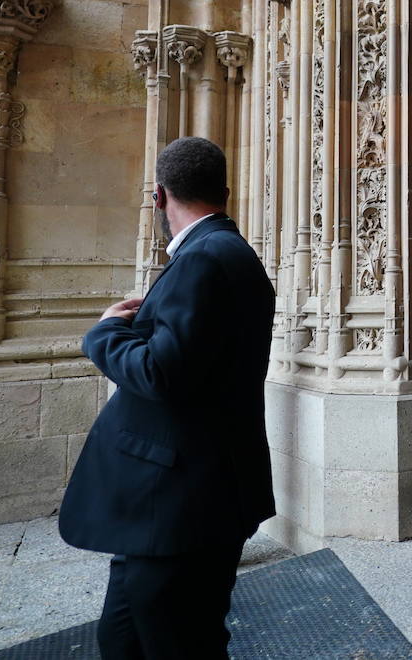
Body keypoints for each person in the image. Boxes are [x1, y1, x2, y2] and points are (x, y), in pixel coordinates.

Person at [59, 137, 276, 658]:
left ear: (158, 196)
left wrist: (105, 333)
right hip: (171, 504)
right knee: (123, 638)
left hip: (181, 505)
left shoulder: (205, 257)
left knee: (177, 643)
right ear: (224, 192)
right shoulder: (226, 252)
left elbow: (161, 373)